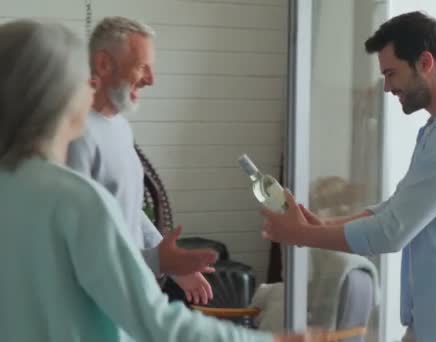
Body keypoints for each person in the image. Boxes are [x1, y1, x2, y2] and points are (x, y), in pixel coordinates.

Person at [0, 18, 327, 342]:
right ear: (56, 97)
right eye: (83, 81)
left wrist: (165, 258)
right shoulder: (77, 198)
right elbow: (153, 320)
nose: (91, 88)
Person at [261, 11, 436, 341]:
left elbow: (392, 231)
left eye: (391, 73)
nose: (386, 87)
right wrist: (321, 226)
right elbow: (396, 207)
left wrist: (302, 235)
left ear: (425, 62)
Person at [67, 16, 212, 305]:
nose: (150, 79)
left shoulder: (119, 125)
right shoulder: (75, 136)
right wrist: (158, 261)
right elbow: (78, 246)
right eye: (142, 67)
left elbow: (129, 208)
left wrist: (172, 264)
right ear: (104, 64)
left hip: (126, 297)